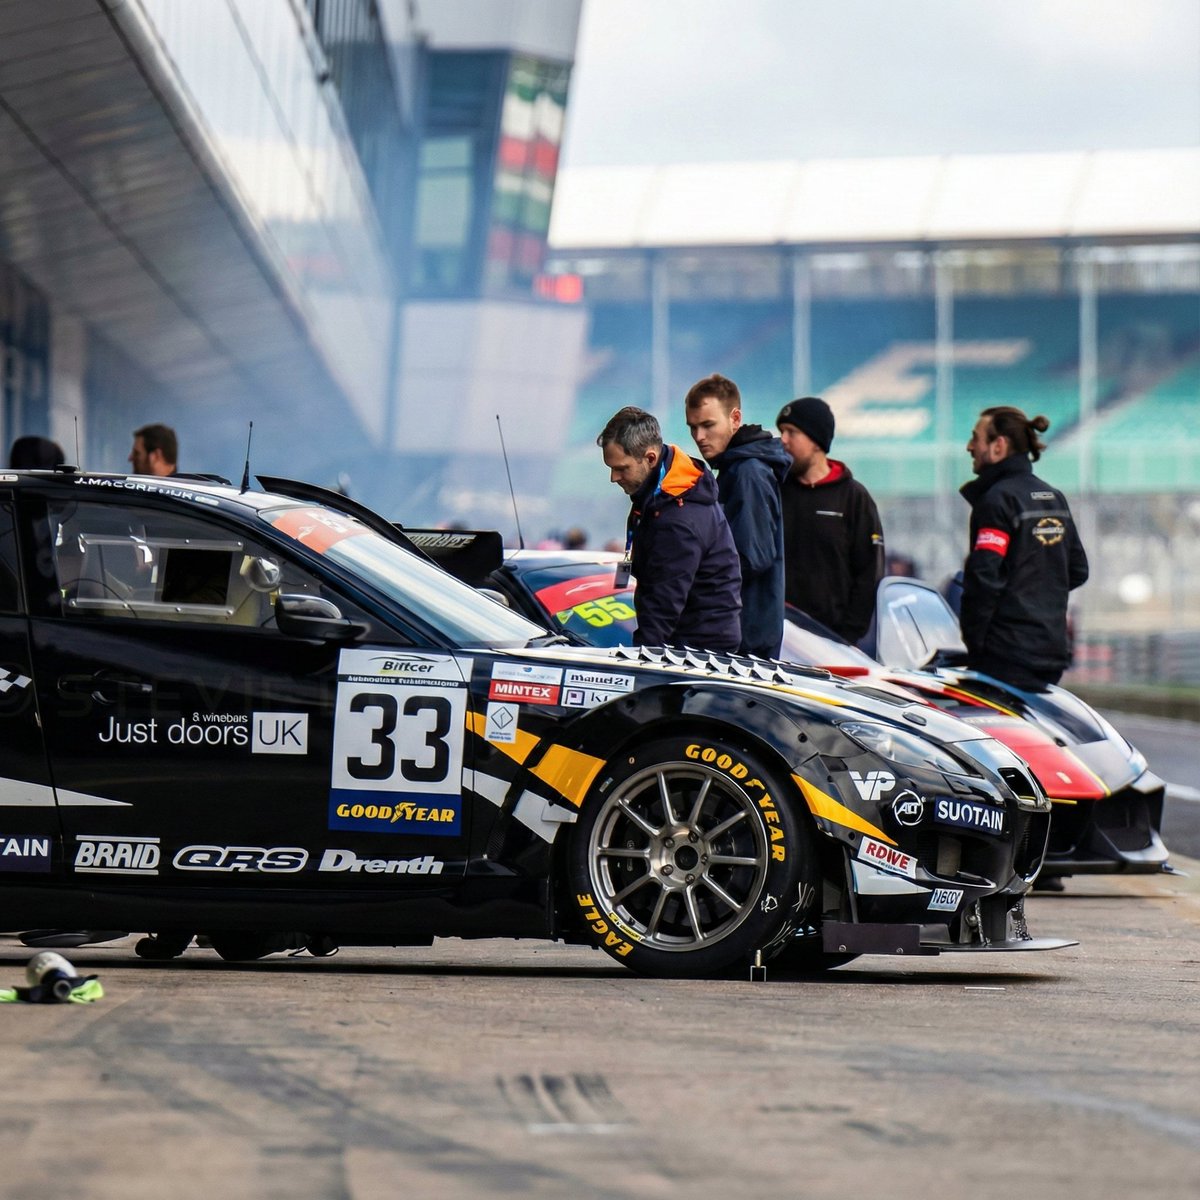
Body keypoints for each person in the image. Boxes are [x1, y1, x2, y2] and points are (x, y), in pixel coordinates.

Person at [960, 405, 1088, 690]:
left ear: (998, 446)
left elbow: (983, 578)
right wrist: (1037, 598)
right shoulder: (1054, 498)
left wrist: (976, 644)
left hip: (1004, 657)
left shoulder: (997, 500)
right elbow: (1078, 570)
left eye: (975, 438)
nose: (969, 447)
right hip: (1051, 653)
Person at [598, 406, 742, 652]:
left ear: (650, 458)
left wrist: (640, 658)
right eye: (610, 468)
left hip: (697, 650)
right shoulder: (663, 494)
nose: (614, 477)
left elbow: (663, 603)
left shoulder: (678, 518)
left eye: (622, 468)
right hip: (694, 638)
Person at [684, 373, 790, 658]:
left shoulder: (748, 473)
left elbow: (751, 558)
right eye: (693, 427)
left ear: (735, 418)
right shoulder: (737, 469)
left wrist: (690, 570)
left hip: (743, 644)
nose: (699, 437)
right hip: (739, 636)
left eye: (708, 425)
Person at [776, 396, 884, 643]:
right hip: (780, 638)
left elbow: (869, 574)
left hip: (833, 643)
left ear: (816, 440)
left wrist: (847, 636)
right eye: (782, 431)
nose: (783, 439)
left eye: (792, 432)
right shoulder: (776, 490)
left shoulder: (854, 498)